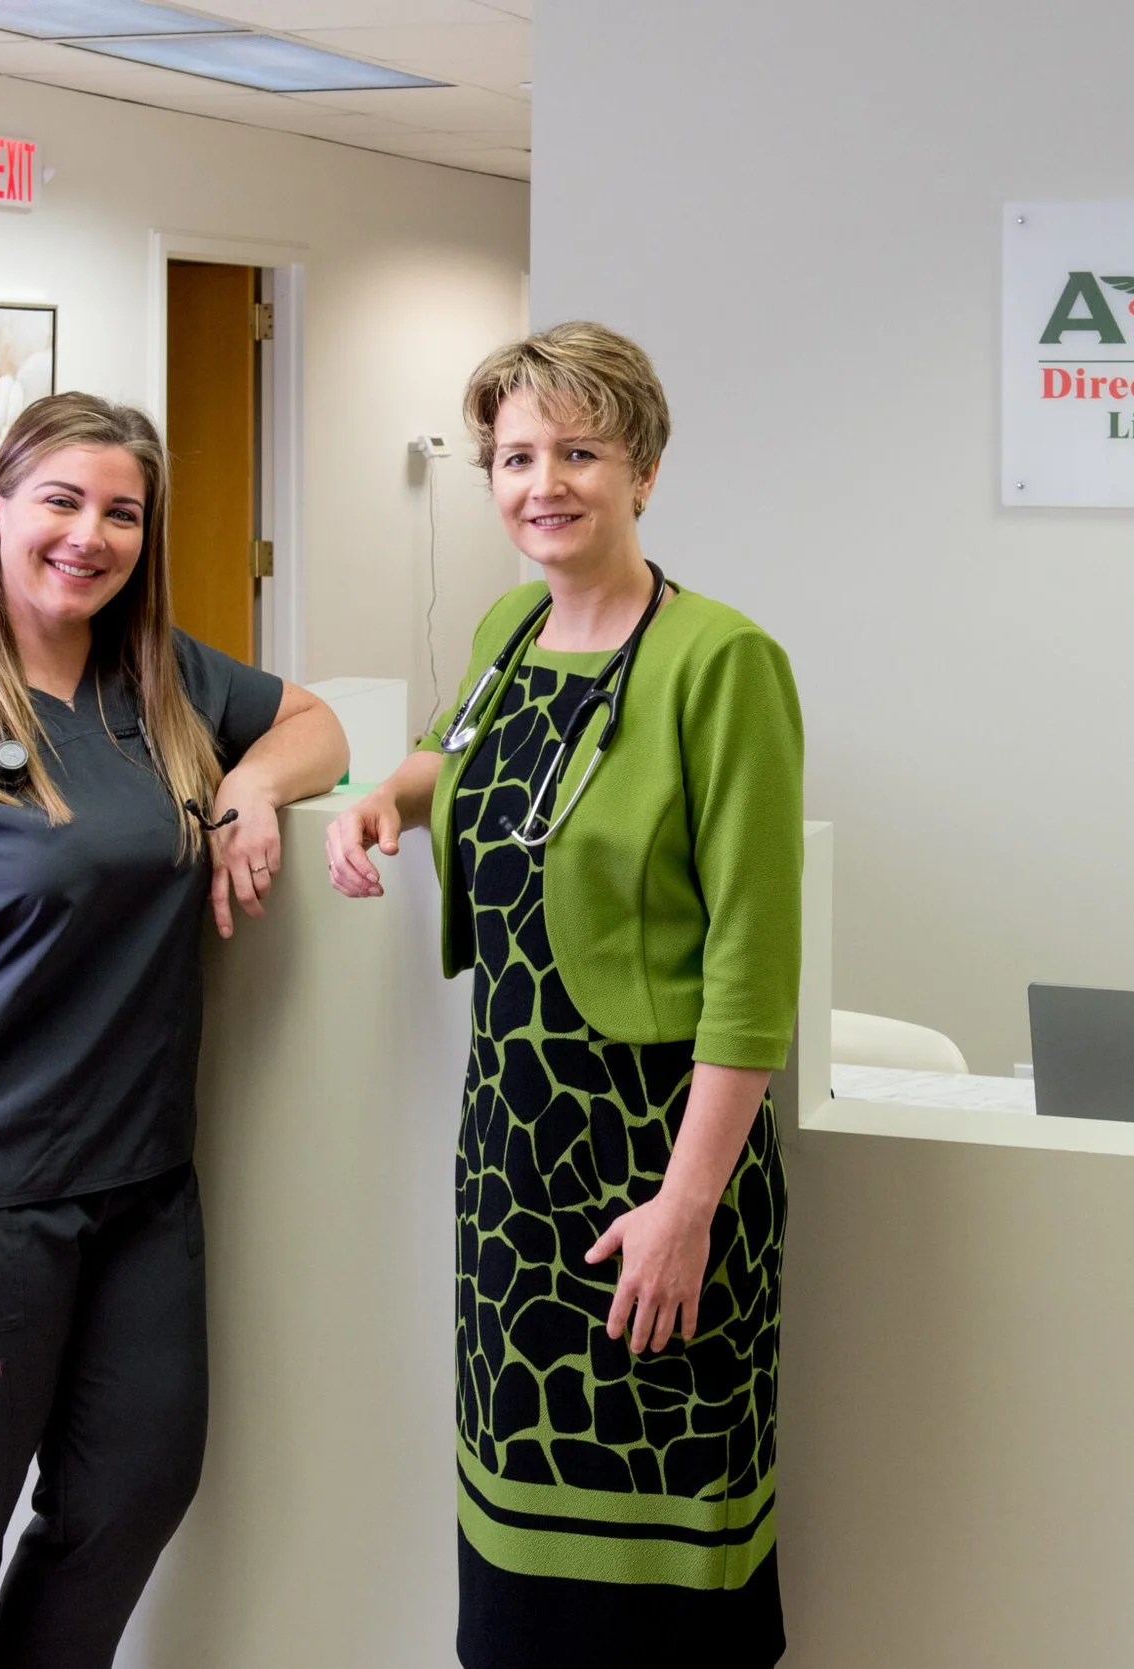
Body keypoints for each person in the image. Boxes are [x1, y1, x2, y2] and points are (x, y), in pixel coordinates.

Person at [0, 392, 346, 1669]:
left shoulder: (160, 680)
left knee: (133, 1489)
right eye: (60, 500)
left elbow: (314, 722)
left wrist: (248, 785)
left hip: (139, 1191)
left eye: (121, 512)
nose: (88, 535)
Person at [325, 322, 805, 1668]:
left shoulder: (723, 663)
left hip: (662, 1169)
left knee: (660, 1559)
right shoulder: (507, 627)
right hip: (512, 1167)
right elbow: (451, 751)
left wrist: (688, 1208)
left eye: (579, 451)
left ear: (644, 469)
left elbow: (754, 963)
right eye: (516, 454)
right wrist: (385, 800)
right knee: (520, 1572)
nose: (545, 482)